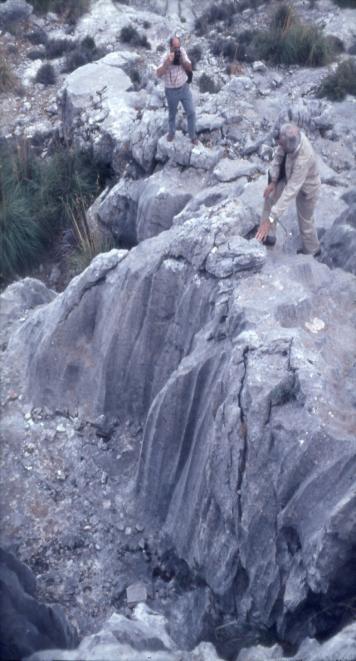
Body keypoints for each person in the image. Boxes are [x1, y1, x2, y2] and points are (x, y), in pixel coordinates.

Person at [256, 123, 321, 256]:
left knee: (305, 221)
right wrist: (273, 181)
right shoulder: (286, 139)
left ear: (290, 146)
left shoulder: (304, 157)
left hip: (307, 187)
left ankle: (313, 251)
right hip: (287, 172)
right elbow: (279, 156)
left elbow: (290, 191)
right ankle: (268, 236)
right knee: (270, 197)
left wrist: (271, 218)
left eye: (281, 144)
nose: (279, 146)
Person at [156, 35, 197, 145]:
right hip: (171, 91)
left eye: (178, 47)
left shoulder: (182, 52)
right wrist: (167, 63)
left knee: (191, 112)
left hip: (184, 88)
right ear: (170, 47)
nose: (177, 50)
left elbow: (190, 67)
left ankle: (192, 135)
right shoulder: (165, 56)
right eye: (175, 48)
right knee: (172, 113)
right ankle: (172, 132)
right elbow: (158, 73)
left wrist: (182, 61)